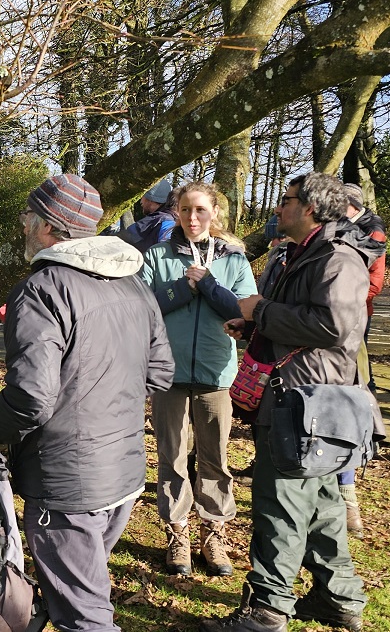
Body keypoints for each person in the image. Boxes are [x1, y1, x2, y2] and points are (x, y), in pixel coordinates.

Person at [0, 174, 174, 632]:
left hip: (69, 483)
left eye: (26, 218)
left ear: (48, 227)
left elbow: (31, 397)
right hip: (123, 471)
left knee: (85, 617)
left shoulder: (42, 289)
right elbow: (159, 374)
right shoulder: (134, 284)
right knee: (76, 595)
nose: (21, 226)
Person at [202, 172, 371, 632]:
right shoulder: (300, 252)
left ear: (312, 208)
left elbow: (331, 328)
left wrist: (261, 312)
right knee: (322, 502)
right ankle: (338, 599)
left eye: (287, 200)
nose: (278, 208)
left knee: (279, 503)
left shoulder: (337, 258)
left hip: (305, 399)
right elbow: (304, 321)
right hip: (300, 394)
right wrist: (255, 327)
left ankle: (267, 610)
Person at [139, 182, 256, 578]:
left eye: (201, 210)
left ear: (215, 214)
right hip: (168, 372)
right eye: (186, 209)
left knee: (215, 459)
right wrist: (182, 288)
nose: (192, 218)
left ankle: (214, 531)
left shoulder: (234, 260)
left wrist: (206, 283)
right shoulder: (156, 255)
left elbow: (244, 310)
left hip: (214, 371)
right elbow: (145, 306)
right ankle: (178, 533)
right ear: (177, 211)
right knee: (171, 457)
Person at [338, 182, 388, 539]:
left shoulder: (372, 233)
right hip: (312, 338)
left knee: (350, 407)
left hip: (353, 324)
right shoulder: (310, 239)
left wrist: (343, 297)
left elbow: (374, 283)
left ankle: (347, 496)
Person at [117, 179, 176, 252]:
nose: (141, 201)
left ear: (151, 198)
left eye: (143, 196)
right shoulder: (172, 218)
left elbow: (123, 238)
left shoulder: (157, 220)